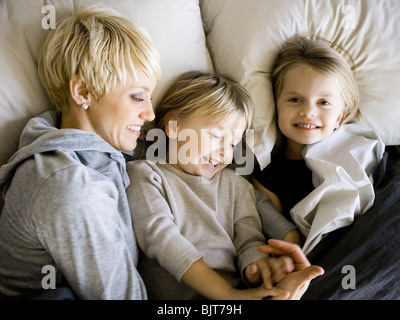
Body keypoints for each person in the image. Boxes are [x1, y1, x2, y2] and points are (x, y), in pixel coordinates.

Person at [0, 6, 161, 299]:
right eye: (137, 97)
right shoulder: (69, 187)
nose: (149, 113)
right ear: (83, 93)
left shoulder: (98, 143)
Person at [126, 71, 323, 300]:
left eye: (232, 143)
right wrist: (228, 296)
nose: (225, 153)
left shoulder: (236, 185)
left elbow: (248, 241)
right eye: (216, 136)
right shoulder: (146, 175)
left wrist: (257, 269)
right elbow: (162, 240)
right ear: (174, 126)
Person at [252, 35, 384, 254]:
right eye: (295, 99)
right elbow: (279, 237)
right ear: (275, 104)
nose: (308, 111)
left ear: (339, 117)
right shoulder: (266, 174)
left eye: (323, 102)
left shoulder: (361, 150)